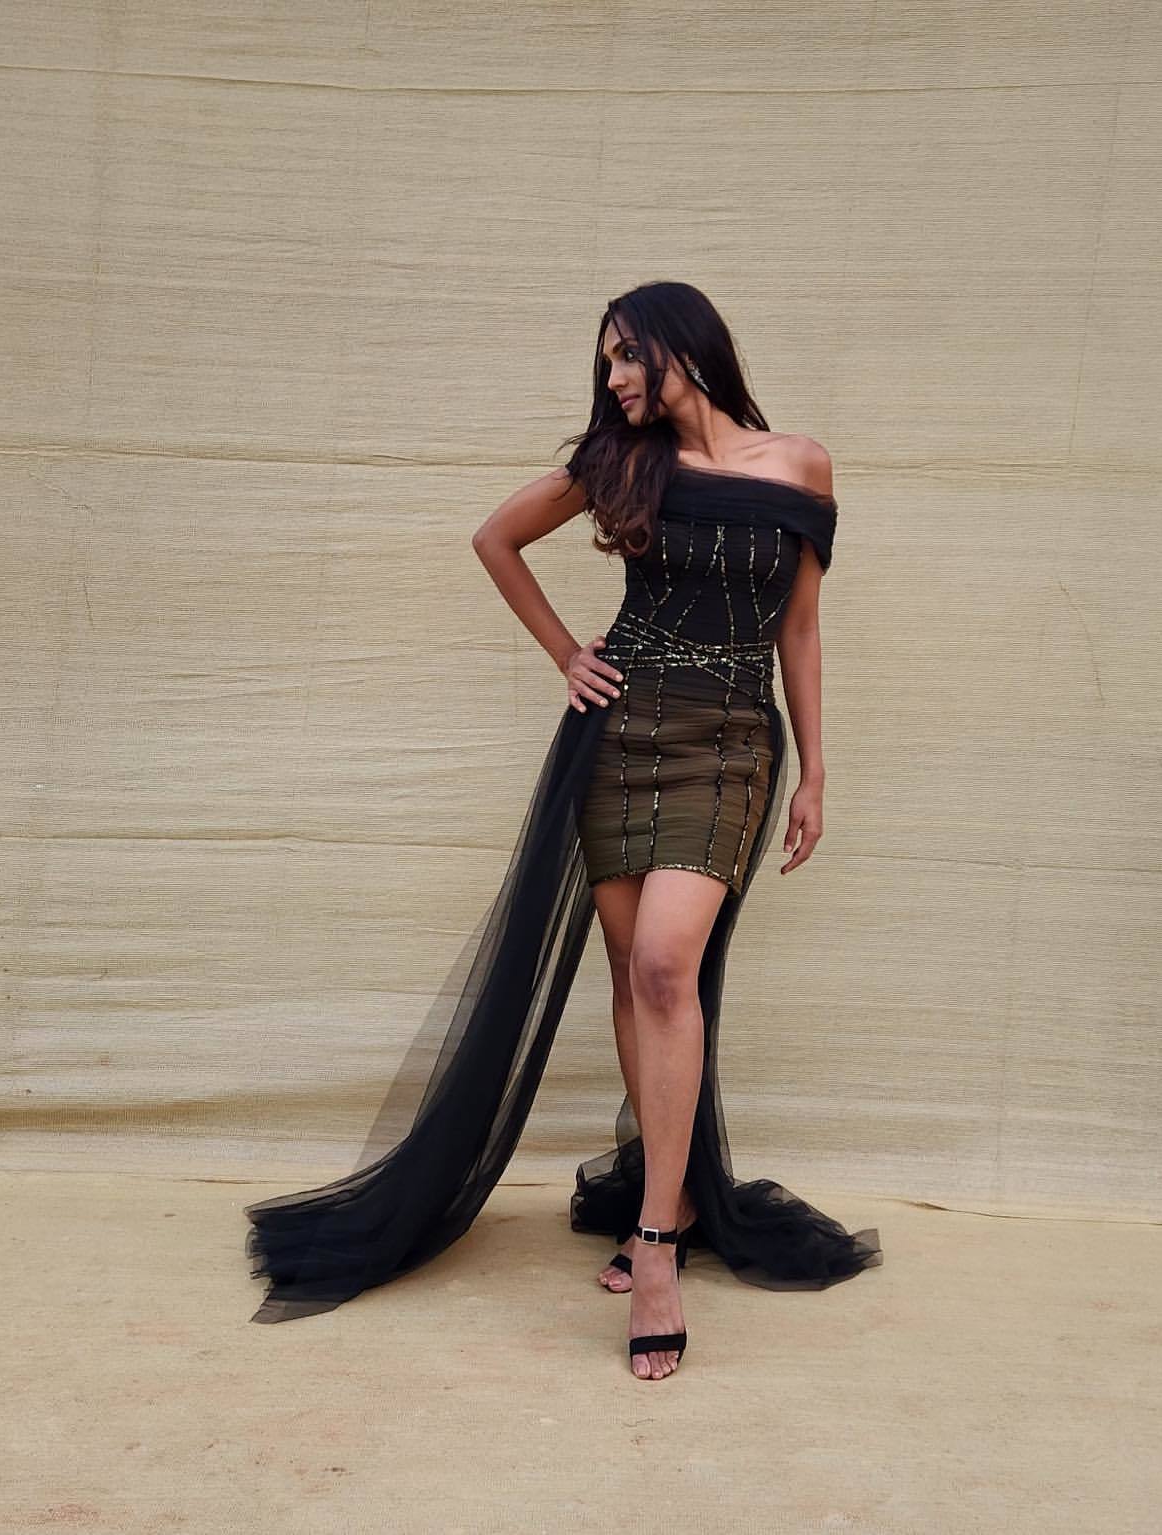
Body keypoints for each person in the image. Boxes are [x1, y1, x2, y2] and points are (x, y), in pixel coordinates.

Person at [243, 281, 882, 1380]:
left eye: (630, 356)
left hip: (732, 739)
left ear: (688, 349)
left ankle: (660, 1241)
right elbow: (495, 538)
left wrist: (817, 768)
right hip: (619, 735)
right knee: (635, 973)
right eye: (607, 362)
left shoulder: (801, 466)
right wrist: (565, 655)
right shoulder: (617, 462)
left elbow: (801, 628)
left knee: (669, 963)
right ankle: (663, 1201)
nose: (615, 378)